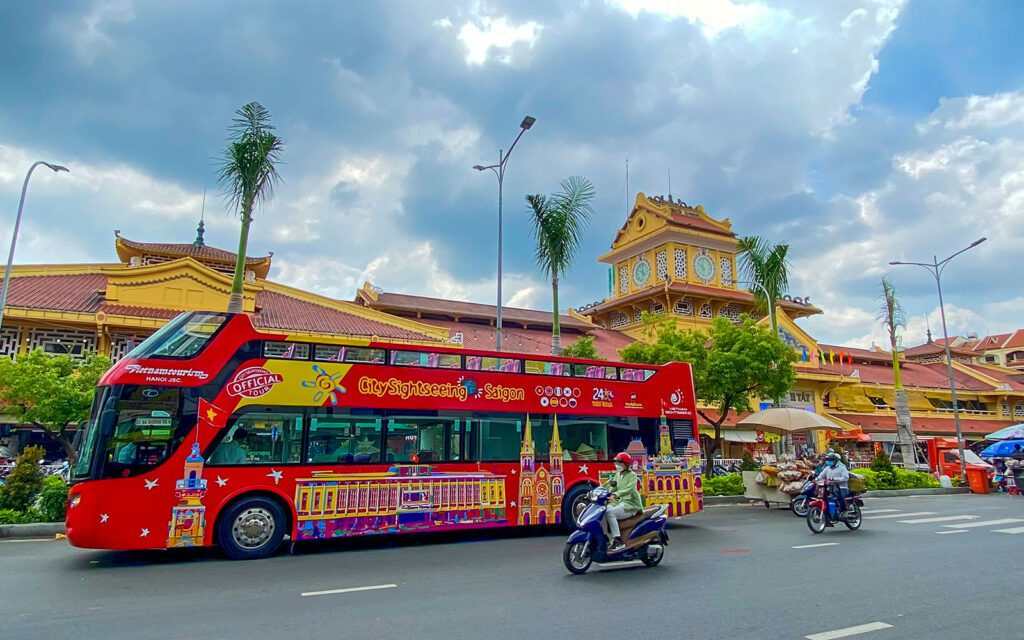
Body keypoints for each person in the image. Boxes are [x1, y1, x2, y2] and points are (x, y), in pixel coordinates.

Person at [601, 452, 643, 553]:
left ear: (626, 464)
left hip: (631, 505)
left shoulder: (632, 475)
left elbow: (629, 489)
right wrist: (595, 492)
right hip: (620, 502)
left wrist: (616, 494)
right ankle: (605, 537)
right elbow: (610, 485)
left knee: (610, 513)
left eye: (620, 462)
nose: (617, 464)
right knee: (602, 511)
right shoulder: (618, 475)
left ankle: (618, 540)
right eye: (616, 462)